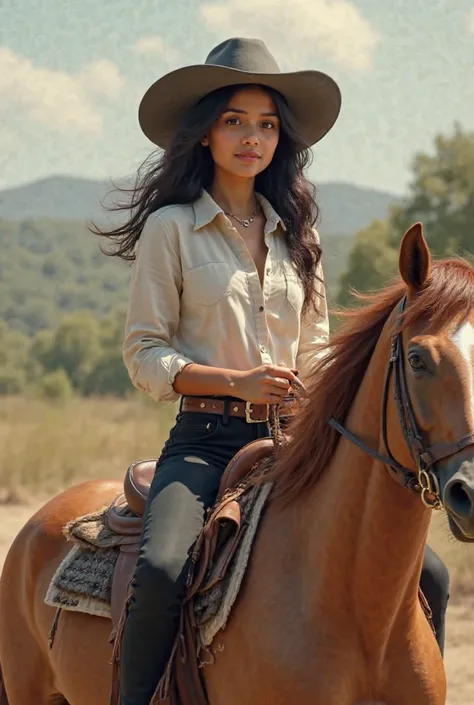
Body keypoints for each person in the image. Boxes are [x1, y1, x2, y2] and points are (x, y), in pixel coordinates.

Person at [92, 37, 449, 705]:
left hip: (296, 445)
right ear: (205, 135)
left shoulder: (299, 235)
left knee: (426, 572)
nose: (252, 137)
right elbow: (145, 355)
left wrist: (314, 392)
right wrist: (235, 381)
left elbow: (314, 347)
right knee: (165, 568)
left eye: (267, 124)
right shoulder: (171, 229)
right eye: (234, 120)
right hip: (204, 442)